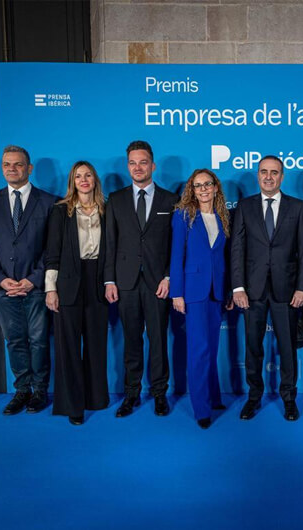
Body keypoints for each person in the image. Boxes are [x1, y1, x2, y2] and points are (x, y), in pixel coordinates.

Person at [231, 155, 303, 421]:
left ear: (282, 176)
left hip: (286, 290)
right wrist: (238, 287)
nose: (268, 177)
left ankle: (289, 398)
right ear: (258, 175)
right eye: (264, 171)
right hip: (251, 290)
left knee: (287, 347)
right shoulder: (244, 207)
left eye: (274, 172)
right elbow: (237, 250)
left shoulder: (298, 207)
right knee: (253, 346)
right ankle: (253, 397)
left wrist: (302, 288)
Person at [0, 145, 56, 415]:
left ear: (29, 168)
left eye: (18, 164)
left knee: (39, 340)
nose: (12, 169)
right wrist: (0, 280)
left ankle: (39, 391)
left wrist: (33, 279)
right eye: (7, 164)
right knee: (15, 341)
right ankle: (21, 390)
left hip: (35, 287)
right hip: (4, 290)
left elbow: (53, 248)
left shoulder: (48, 202)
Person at [104, 140, 179, 418]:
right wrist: (109, 280)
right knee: (131, 341)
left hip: (158, 283)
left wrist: (169, 277)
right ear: (128, 166)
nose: (138, 167)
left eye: (143, 162)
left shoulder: (171, 200)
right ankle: (131, 393)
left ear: (153, 165)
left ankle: (160, 393)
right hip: (125, 283)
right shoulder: (116, 199)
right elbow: (110, 243)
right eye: (133, 163)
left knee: (158, 340)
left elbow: (175, 244)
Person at [44, 161, 110, 425]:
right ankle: (73, 405)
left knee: (96, 345)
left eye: (88, 175)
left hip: (99, 282)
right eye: (78, 176)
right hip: (68, 282)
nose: (84, 180)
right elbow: (52, 253)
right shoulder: (61, 212)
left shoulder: (107, 210)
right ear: (72, 181)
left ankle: (95, 398)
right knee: (69, 347)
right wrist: (51, 288)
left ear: (95, 180)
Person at [170, 169, 232, 429]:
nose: (204, 189)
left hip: (216, 291)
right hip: (193, 291)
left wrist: (227, 290)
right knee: (199, 350)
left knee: (213, 347)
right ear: (192, 190)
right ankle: (201, 409)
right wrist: (177, 293)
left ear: (216, 187)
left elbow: (224, 259)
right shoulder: (183, 216)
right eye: (198, 186)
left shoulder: (223, 217)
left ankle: (213, 396)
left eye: (208, 184)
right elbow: (176, 256)